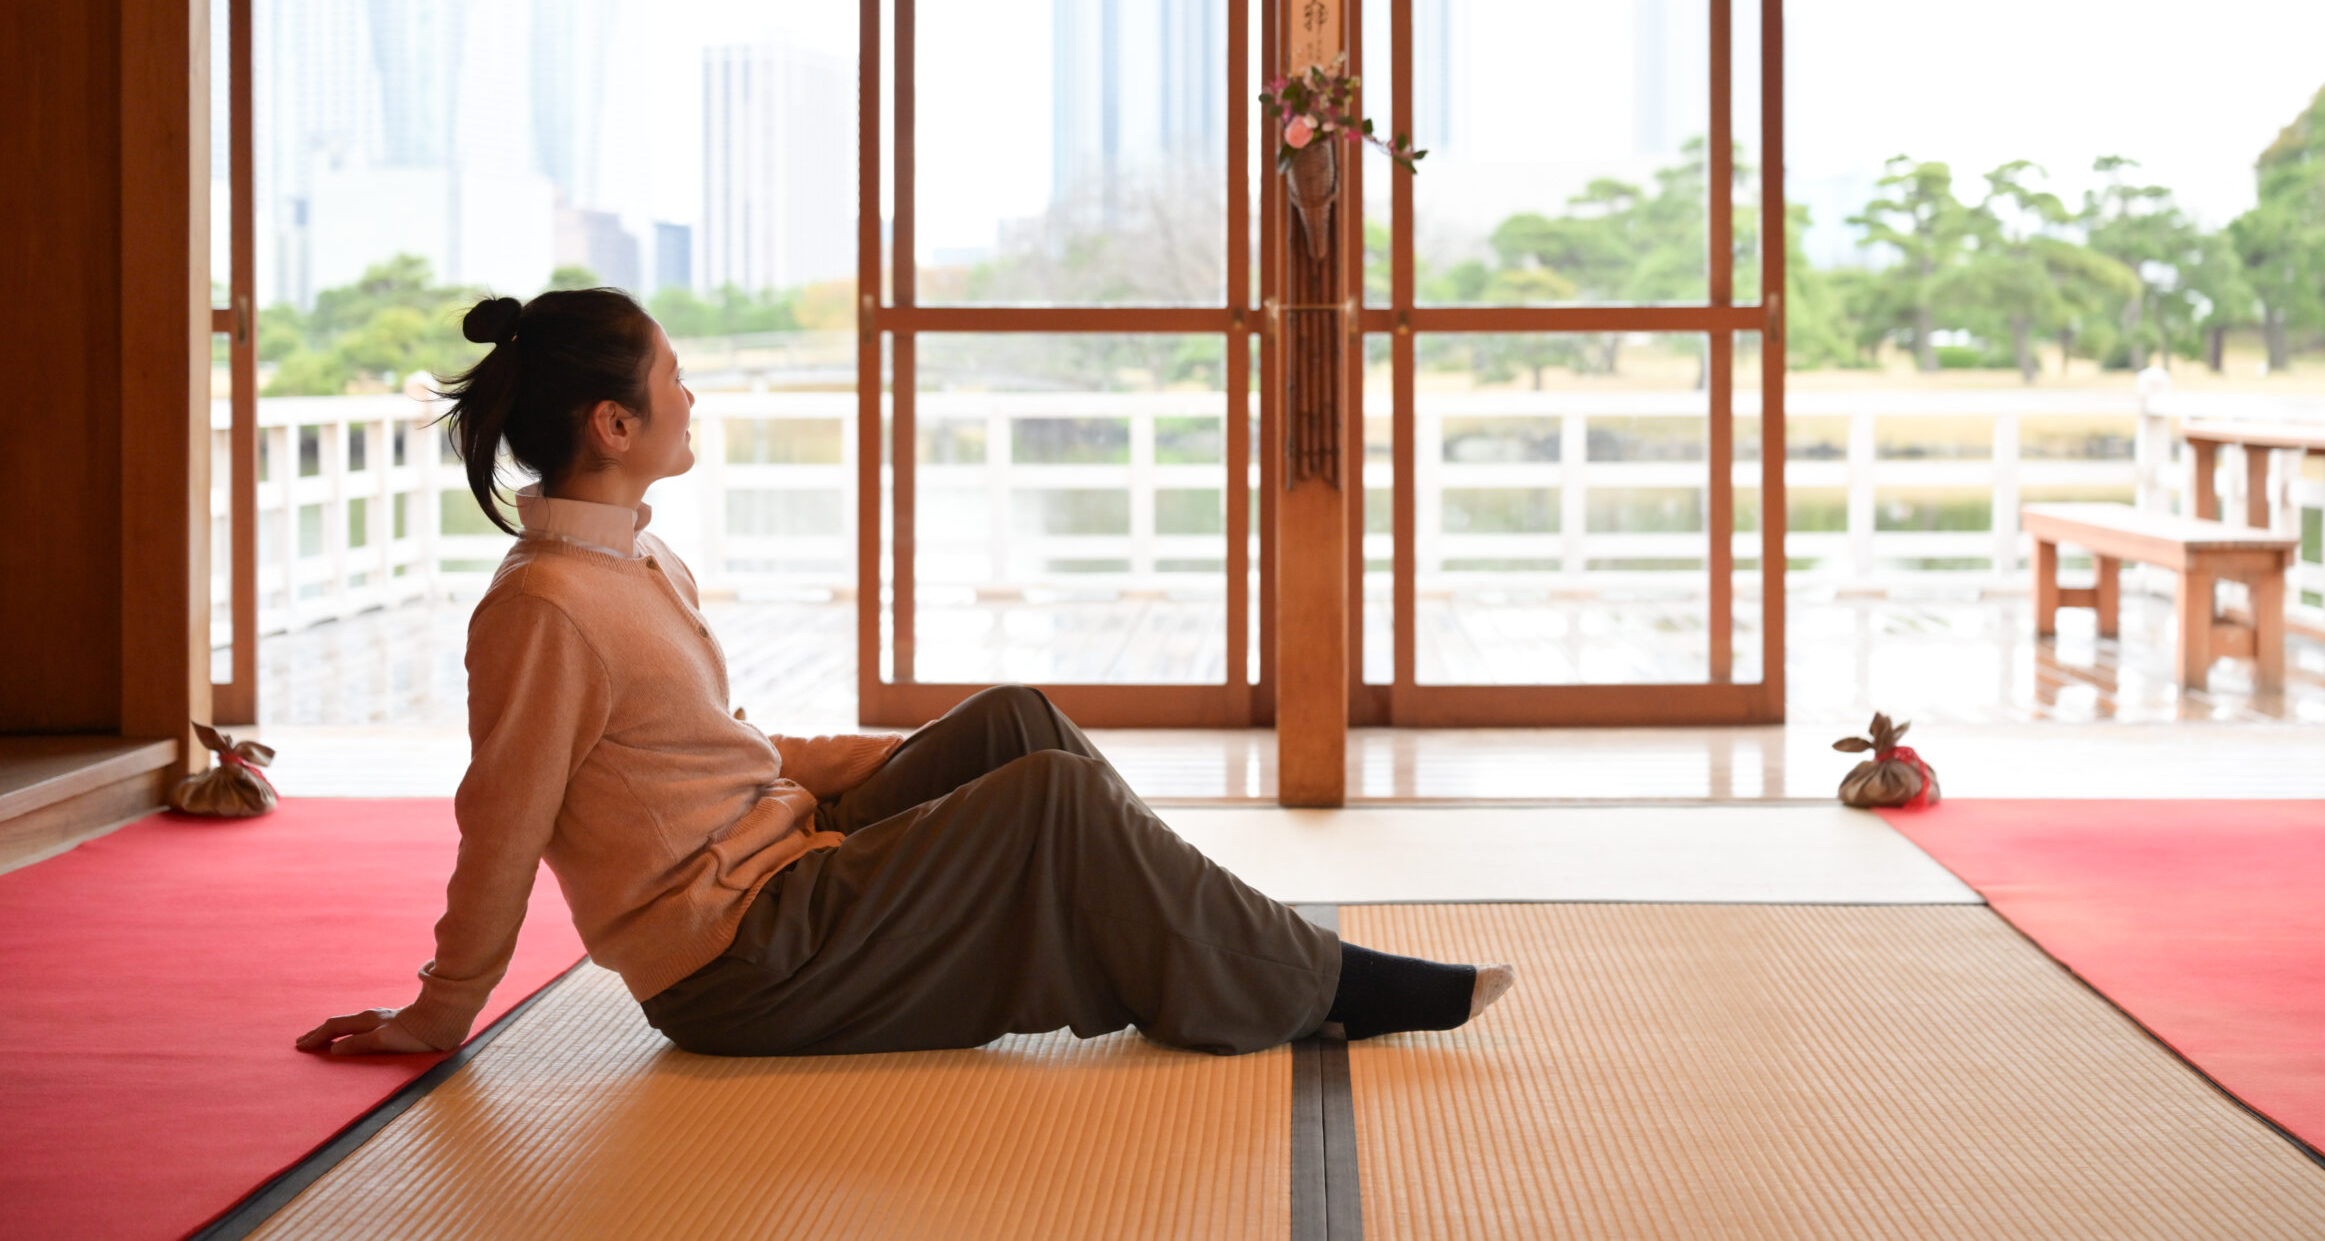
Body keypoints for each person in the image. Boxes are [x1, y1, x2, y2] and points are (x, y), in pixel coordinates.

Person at [298, 287, 1514, 1062]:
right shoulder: (546, 607)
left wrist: (905, 774)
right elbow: (502, 816)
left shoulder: (635, 561)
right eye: (672, 379)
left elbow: (717, 754)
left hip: (790, 860)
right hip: (743, 962)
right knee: (1054, 801)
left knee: (1014, 725)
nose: (690, 395)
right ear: (612, 427)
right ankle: (1307, 981)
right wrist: (444, 1005)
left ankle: (1222, 940)